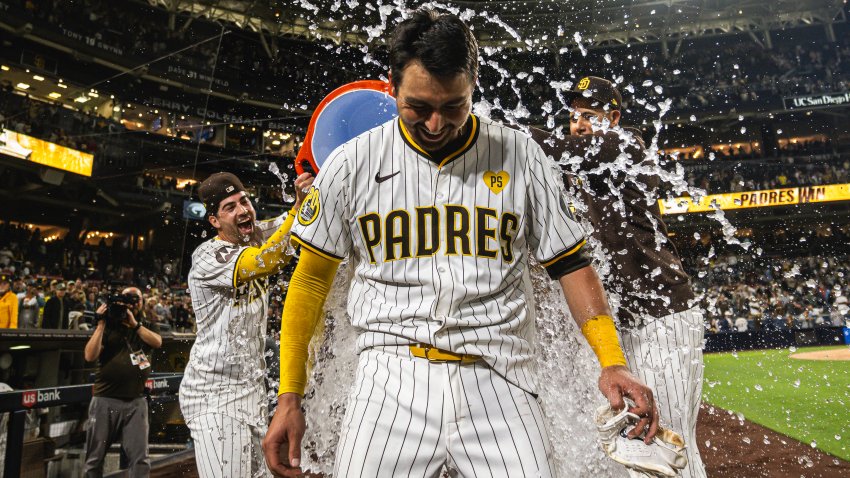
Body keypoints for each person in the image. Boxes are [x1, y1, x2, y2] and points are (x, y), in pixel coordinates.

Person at [264, 12, 658, 477]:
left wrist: (612, 362)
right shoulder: (352, 163)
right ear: (392, 88)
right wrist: (289, 395)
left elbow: (571, 263)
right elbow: (309, 281)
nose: (434, 123)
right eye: (418, 106)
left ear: (473, 84)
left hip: (500, 376)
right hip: (389, 378)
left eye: (453, 106)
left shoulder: (520, 154)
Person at [529, 76, 707, 478]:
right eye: (574, 116)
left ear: (614, 117)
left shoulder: (624, 146)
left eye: (589, 116)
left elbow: (548, 148)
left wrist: (480, 122)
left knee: (664, 445)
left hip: (661, 318)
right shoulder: (581, 167)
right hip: (619, 326)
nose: (579, 124)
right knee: (625, 453)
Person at [179, 171, 313, 478]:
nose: (242, 210)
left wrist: (309, 188)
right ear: (214, 220)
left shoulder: (256, 234)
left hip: (251, 392)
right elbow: (266, 260)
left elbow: (298, 219)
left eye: (244, 201)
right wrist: (296, 210)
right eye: (229, 207)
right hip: (214, 395)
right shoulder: (207, 255)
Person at [83, 286, 162, 478]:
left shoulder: (146, 326)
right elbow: (89, 355)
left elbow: (157, 342)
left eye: (136, 299)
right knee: (94, 458)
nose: (131, 303)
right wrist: (100, 324)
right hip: (105, 399)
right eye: (127, 299)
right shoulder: (108, 325)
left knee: (140, 459)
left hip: (136, 401)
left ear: (142, 302)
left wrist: (134, 325)